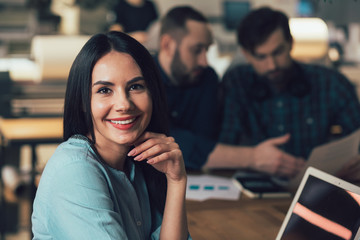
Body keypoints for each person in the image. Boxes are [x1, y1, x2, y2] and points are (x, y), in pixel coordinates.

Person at [31, 31, 190, 240]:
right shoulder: (74, 171)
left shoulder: (137, 163)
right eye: (105, 90)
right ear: (83, 102)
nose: (124, 104)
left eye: (135, 87)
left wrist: (177, 180)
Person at [209, 7, 360, 178]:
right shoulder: (236, 82)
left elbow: (357, 136)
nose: (272, 65)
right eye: (261, 57)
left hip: (315, 185)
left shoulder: (330, 83)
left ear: (290, 43)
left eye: (277, 52)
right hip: (255, 187)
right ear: (246, 55)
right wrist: (251, 158)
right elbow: (223, 144)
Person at [155, 6, 220, 170]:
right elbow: (156, 143)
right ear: (167, 44)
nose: (204, 61)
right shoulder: (140, 80)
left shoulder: (207, 77)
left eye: (207, 49)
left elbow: (207, 141)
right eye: (197, 50)